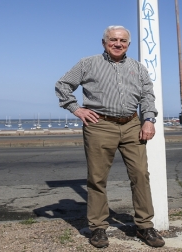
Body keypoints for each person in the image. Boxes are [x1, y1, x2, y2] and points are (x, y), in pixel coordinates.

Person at [55, 25, 165, 249]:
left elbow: (147, 96)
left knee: (141, 175)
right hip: (100, 125)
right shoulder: (88, 63)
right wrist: (77, 109)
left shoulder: (138, 68)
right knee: (97, 178)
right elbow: (63, 85)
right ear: (104, 42)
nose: (118, 44)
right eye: (113, 40)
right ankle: (98, 228)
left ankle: (144, 225)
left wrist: (149, 120)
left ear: (128, 44)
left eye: (123, 40)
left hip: (133, 124)